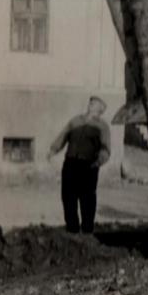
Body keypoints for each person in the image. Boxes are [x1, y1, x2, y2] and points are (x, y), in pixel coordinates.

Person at [48, 96, 111, 234]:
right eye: (91, 102)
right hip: (70, 163)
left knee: (87, 198)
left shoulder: (102, 127)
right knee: (68, 196)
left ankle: (87, 230)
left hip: (88, 165)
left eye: (95, 103)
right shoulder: (75, 121)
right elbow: (63, 135)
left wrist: (98, 162)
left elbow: (106, 149)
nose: (91, 104)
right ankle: (72, 229)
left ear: (101, 109)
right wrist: (53, 149)